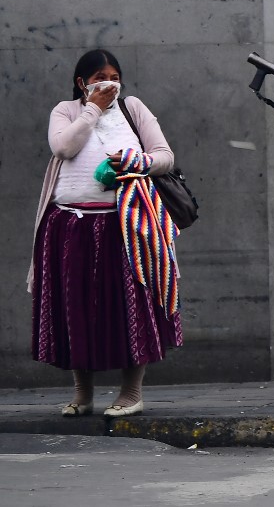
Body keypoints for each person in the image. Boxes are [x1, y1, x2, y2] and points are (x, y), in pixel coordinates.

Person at [28, 48, 183, 418]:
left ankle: (131, 392)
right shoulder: (65, 111)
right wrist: (92, 109)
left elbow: (164, 155)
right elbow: (63, 146)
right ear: (81, 82)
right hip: (70, 225)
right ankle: (83, 394)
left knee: (131, 305)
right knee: (75, 308)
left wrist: (136, 162)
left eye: (113, 76)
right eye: (98, 77)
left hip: (127, 225)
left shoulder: (134, 109)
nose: (107, 83)